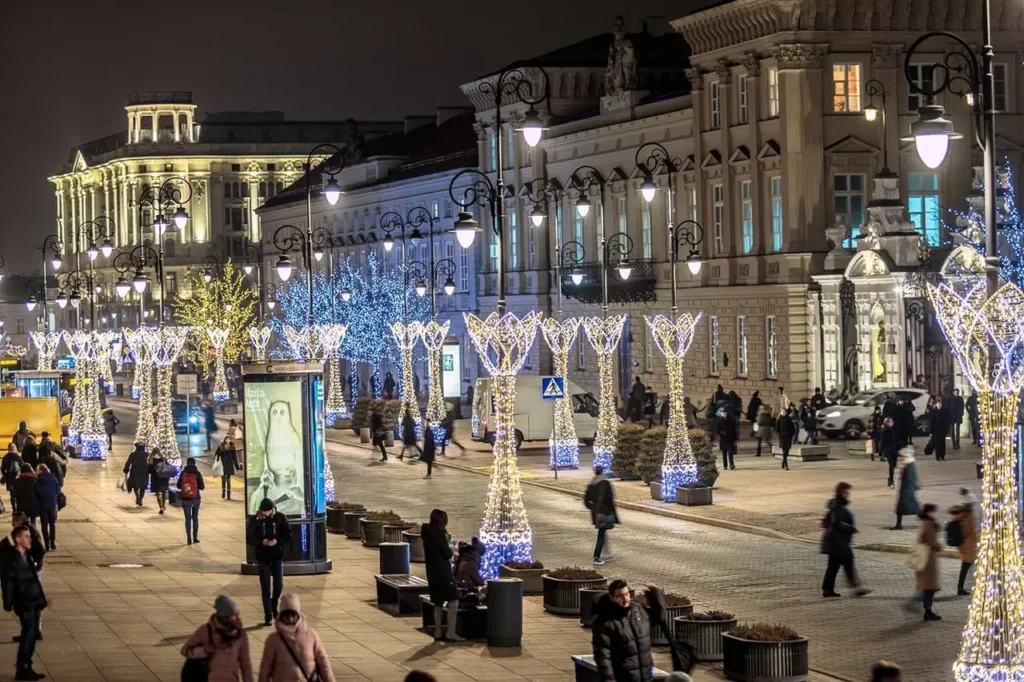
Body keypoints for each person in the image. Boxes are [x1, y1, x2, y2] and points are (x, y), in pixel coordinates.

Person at [1, 526, 47, 681]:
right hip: (25, 602)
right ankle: (23, 668)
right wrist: (8, 603)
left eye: (30, 536)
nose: (30, 539)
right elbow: (7, 583)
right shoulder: (12, 560)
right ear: (18, 539)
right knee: (28, 636)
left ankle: (27, 666)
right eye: (26, 536)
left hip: (34, 600)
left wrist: (41, 598)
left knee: (33, 635)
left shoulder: (27, 555)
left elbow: (40, 554)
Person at [257, 593, 335, 682]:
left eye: (293, 615)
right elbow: (265, 670)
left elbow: (324, 663)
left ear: (298, 615)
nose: (290, 619)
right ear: (281, 616)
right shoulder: (273, 640)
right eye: (286, 615)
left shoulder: (311, 635)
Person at [592, 580, 654, 682]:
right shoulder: (605, 622)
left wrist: (655, 595)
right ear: (612, 598)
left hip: (646, 676)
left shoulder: (637, 611)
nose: (625, 599)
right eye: (620, 596)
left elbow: (659, 617)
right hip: (624, 677)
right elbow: (602, 653)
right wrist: (608, 676)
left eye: (626, 594)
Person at [181, 595, 254, 682]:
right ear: (224, 617)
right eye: (234, 615)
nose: (238, 618)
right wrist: (204, 651)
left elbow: (245, 664)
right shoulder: (206, 630)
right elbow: (185, 650)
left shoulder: (241, 635)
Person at [820, 482, 871, 598]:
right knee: (848, 562)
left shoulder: (838, 505)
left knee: (833, 566)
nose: (848, 494)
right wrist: (850, 528)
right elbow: (836, 523)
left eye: (848, 492)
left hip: (836, 541)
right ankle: (856, 588)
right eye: (846, 492)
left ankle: (827, 590)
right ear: (841, 493)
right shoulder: (837, 506)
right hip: (837, 542)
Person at [246, 498, 291, 626]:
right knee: (265, 587)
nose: (266, 514)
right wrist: (262, 542)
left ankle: (273, 603)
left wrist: (278, 542)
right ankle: (268, 615)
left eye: (268, 511)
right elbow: (250, 537)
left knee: (278, 585)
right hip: (263, 556)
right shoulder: (255, 520)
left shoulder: (280, 518)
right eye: (264, 511)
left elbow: (288, 534)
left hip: (277, 555)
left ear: (273, 509)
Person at [421, 509, 463, 642]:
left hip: (431, 571)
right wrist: (451, 549)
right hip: (443, 572)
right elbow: (447, 554)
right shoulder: (439, 534)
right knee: (454, 600)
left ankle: (438, 631)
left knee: (438, 602)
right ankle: (451, 632)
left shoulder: (426, 532)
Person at [914, 503, 943, 621]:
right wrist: (939, 546)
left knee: (928, 587)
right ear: (929, 512)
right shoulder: (928, 524)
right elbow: (931, 541)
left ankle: (927, 609)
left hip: (926, 558)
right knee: (929, 587)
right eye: (933, 512)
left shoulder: (924, 522)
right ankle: (928, 611)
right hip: (928, 559)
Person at [584, 465, 617, 565]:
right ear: (602, 472)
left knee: (602, 532)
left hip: (597, 514)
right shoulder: (606, 483)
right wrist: (611, 511)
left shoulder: (591, 484)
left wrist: (593, 508)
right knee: (601, 535)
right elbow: (610, 499)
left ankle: (606, 553)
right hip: (605, 513)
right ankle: (597, 557)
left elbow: (586, 501)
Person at [948, 502, 977, 596]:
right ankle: (960, 588)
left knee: (966, 568)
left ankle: (961, 587)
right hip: (969, 547)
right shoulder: (968, 518)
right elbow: (969, 531)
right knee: (966, 568)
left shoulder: (962, 518)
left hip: (965, 547)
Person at [177, 457, 205, 545]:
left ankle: (188, 537)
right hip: (196, 498)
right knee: (195, 517)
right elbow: (202, 487)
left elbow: (178, 486)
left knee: (187, 519)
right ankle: (195, 537)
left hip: (185, 499)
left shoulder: (183, 473)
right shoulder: (197, 473)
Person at [893, 447, 919, 530]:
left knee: (904, 507)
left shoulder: (909, 465)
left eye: (902, 456)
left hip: (906, 490)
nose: (901, 458)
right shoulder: (907, 464)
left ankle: (898, 524)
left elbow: (911, 478)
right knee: (910, 507)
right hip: (905, 489)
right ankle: (898, 524)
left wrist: (908, 489)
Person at [33, 465, 59, 552]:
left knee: (44, 526)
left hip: (43, 506)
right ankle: (53, 543)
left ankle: (47, 545)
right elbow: (58, 491)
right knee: (52, 524)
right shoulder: (54, 479)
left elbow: (37, 493)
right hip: (52, 505)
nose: (35, 471)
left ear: (41, 470)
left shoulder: (38, 481)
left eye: (37, 470)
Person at [123, 442, 150, 507]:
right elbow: (150, 463)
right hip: (144, 471)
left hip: (135, 471)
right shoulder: (147, 454)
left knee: (135, 486)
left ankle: (137, 496)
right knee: (143, 487)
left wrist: (126, 469)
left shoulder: (133, 454)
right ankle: (140, 499)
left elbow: (128, 463)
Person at [148, 448, 172, 515]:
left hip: (156, 479)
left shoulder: (151, 459)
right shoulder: (163, 459)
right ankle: (164, 505)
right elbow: (168, 467)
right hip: (164, 477)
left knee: (158, 493)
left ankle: (161, 507)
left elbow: (149, 471)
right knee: (164, 491)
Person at [3, 444, 23, 514]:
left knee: (12, 495)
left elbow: (2, 468)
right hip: (18, 477)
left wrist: (5, 475)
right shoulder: (17, 456)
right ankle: (18, 509)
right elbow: (22, 465)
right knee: (18, 494)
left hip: (9, 477)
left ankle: (14, 509)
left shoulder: (6, 457)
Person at [880, 417, 899, 488]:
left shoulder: (893, 429)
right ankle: (891, 480)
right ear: (887, 423)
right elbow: (882, 441)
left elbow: (897, 439)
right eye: (891, 422)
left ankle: (890, 479)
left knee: (894, 465)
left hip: (894, 450)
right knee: (891, 465)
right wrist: (881, 452)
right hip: (888, 450)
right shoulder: (885, 430)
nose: (892, 423)